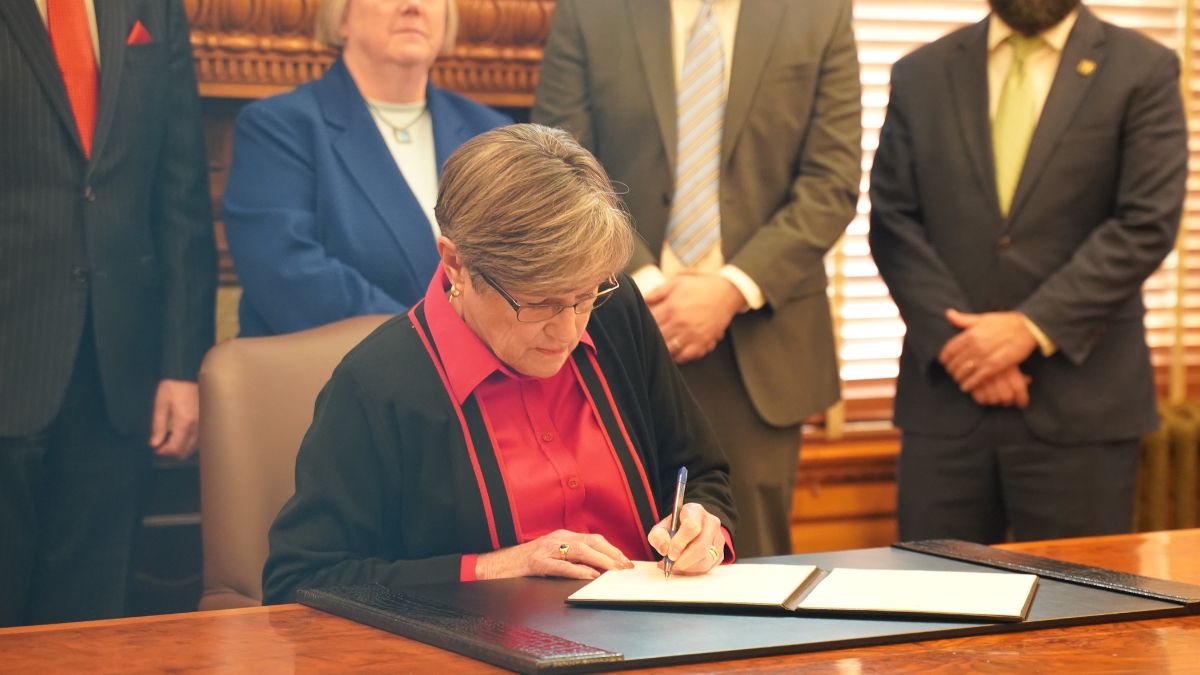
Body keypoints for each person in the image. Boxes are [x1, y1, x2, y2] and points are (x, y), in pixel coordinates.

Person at [262, 124, 737, 601]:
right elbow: (299, 580)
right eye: (540, 303)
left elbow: (699, 471)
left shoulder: (617, 313)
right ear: (455, 264)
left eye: (585, 295)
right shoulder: (377, 383)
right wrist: (498, 567)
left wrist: (702, 528)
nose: (569, 329)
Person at [531, 0, 862, 557]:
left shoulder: (819, 13)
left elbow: (832, 181)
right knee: (614, 560)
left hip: (759, 347)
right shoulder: (589, 12)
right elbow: (558, 164)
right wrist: (646, 287)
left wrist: (731, 288)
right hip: (609, 325)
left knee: (750, 566)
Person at [869, 0, 1186, 543]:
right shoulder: (920, 72)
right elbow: (893, 221)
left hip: (1084, 407)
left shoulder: (1144, 68)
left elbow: (1145, 222)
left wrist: (1026, 329)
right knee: (938, 613)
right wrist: (962, 347)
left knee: (1085, 615)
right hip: (946, 405)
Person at [0, 0, 216, 625]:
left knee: (90, 625)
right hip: (12, 344)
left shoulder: (153, 11)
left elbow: (181, 193)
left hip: (118, 369)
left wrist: (182, 364)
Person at [222, 0, 509, 337]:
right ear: (341, 17)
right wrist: (435, 344)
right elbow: (288, 275)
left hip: (480, 380)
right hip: (332, 377)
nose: (413, 6)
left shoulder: (493, 134)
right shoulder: (278, 127)